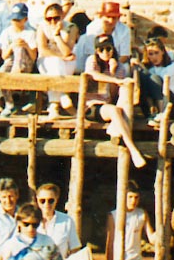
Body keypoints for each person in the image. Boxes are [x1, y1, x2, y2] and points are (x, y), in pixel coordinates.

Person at [61, 34, 147, 168]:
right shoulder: (92, 60)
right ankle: (132, 148)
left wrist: (113, 73)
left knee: (122, 95)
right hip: (91, 106)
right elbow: (93, 75)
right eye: (101, 49)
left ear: (113, 49)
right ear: (96, 50)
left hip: (107, 106)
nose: (105, 52)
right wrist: (114, 79)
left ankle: (115, 127)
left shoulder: (119, 67)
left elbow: (113, 95)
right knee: (114, 110)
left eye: (108, 49)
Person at [37, 2, 79, 116]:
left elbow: (67, 51)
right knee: (55, 62)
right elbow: (43, 50)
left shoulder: (71, 27)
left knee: (58, 64)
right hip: (47, 61)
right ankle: (62, 97)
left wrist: (56, 35)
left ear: (62, 16)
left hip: (67, 63)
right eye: (49, 19)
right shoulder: (42, 27)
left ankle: (54, 105)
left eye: (56, 18)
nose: (52, 22)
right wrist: (60, 56)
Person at [73, 1, 132, 74]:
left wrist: (113, 65)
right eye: (108, 17)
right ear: (101, 17)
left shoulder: (124, 30)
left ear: (118, 18)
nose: (111, 21)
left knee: (126, 68)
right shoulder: (92, 28)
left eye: (114, 18)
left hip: (115, 62)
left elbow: (124, 55)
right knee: (83, 39)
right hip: (95, 61)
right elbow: (91, 53)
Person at [140, 37, 174, 125]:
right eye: (150, 54)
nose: (154, 57)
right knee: (142, 75)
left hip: (170, 102)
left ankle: (161, 114)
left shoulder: (172, 67)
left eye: (156, 53)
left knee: (154, 78)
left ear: (162, 51)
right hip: (153, 102)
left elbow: (160, 85)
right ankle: (152, 113)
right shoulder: (149, 68)